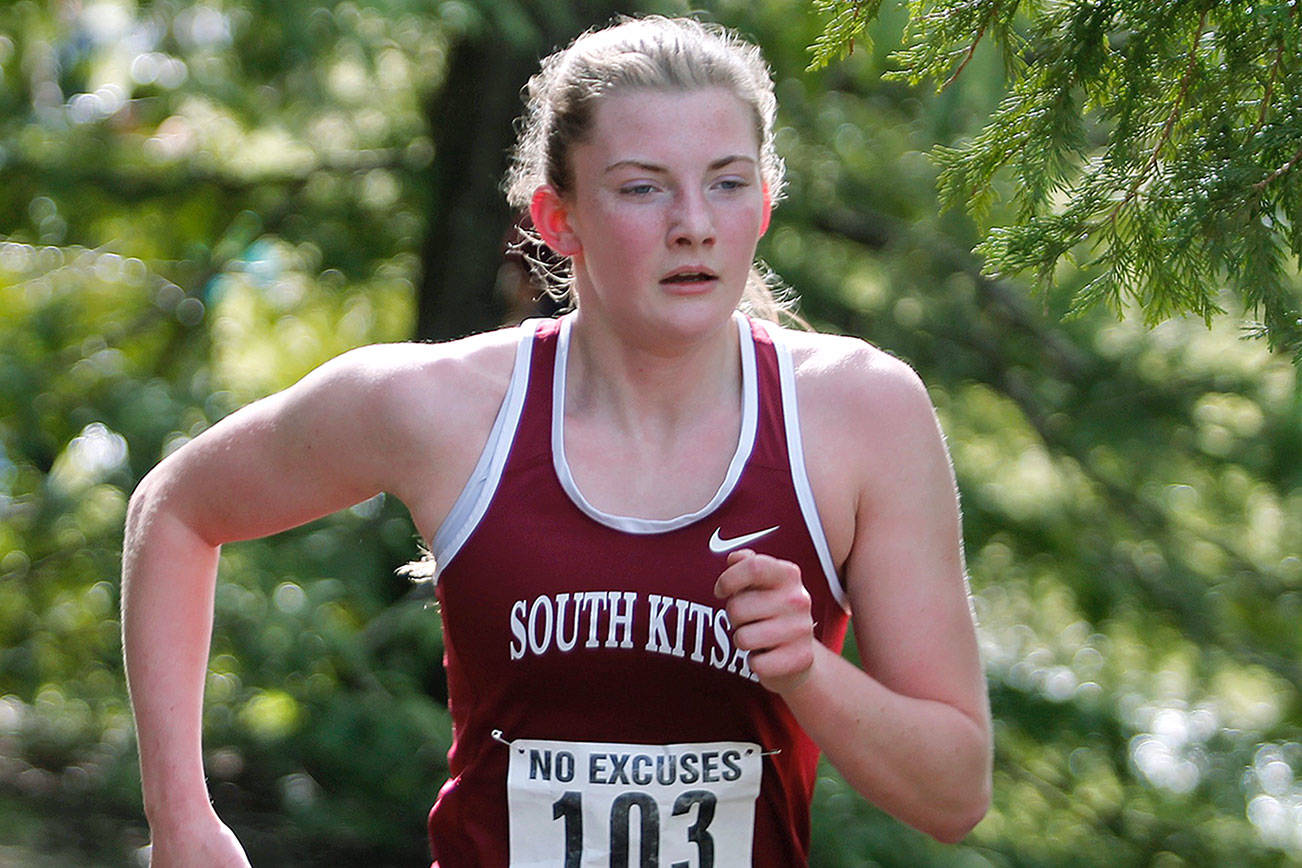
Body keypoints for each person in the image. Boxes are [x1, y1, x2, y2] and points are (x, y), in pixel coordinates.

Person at [121, 15, 992, 867]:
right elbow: (175, 511)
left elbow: (953, 796)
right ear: (557, 217)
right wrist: (181, 821)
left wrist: (810, 672)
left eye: (726, 182)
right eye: (643, 186)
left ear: (765, 203)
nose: (693, 223)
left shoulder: (858, 415)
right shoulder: (444, 408)